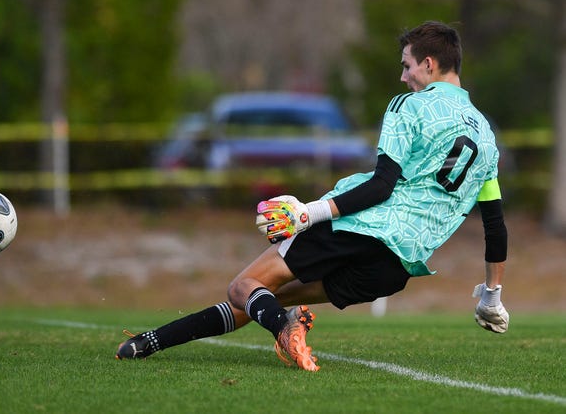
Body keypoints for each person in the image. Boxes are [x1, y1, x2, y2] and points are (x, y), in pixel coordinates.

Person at [115, 20, 509, 371]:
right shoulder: (487, 138)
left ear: (429, 64)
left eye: (407, 65)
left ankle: (285, 328)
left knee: (243, 287)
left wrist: (309, 213)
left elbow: (381, 186)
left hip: (359, 226)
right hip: (398, 265)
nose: (403, 77)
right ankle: (150, 342)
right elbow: (495, 225)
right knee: (265, 299)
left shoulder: (412, 105)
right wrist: (491, 296)